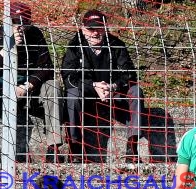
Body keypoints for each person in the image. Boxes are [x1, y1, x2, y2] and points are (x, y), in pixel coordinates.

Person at [0, 2, 64, 164]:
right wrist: (4, 51)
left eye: (23, 23)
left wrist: (28, 86)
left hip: (28, 92)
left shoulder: (35, 35)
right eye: (14, 22)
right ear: (5, 21)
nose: (19, 27)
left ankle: (54, 148)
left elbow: (46, 68)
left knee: (53, 85)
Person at [61, 9, 145, 163]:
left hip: (113, 93)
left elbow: (130, 74)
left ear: (106, 28)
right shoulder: (74, 46)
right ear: (83, 29)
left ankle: (132, 146)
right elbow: (68, 77)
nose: (95, 33)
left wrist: (112, 86)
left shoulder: (116, 45)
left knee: (135, 91)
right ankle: (75, 148)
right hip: (86, 95)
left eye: (99, 28)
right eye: (91, 29)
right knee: (72, 95)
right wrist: (93, 86)